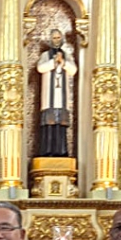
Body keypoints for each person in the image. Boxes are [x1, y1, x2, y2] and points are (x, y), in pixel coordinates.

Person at [36, 29, 77, 158]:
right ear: (50, 40)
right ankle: (47, 150)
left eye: (58, 37)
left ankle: (61, 150)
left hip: (61, 97)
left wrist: (63, 62)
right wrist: (53, 62)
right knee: (49, 123)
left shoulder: (66, 55)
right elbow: (40, 68)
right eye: (54, 38)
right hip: (49, 97)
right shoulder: (45, 55)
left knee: (61, 124)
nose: (56, 40)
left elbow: (73, 70)